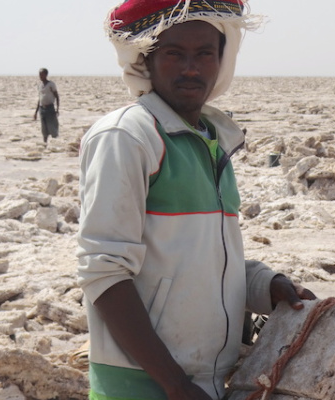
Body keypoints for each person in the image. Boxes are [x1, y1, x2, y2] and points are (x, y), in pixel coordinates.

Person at [76, 1, 316, 399]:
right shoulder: (127, 136)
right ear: (146, 60)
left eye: (205, 53)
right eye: (174, 54)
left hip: (203, 378)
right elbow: (104, 273)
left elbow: (201, 255)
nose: (191, 68)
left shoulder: (210, 139)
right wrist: (174, 384)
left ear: (222, 59)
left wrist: (264, 285)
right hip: (142, 383)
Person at [33, 68, 60, 143]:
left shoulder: (51, 84)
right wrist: (36, 112)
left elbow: (57, 96)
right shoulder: (40, 86)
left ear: (46, 75)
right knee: (44, 128)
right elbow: (40, 99)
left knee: (52, 127)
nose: (40, 76)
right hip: (42, 109)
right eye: (39, 74)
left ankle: (56, 143)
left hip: (50, 108)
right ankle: (45, 143)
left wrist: (57, 109)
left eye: (42, 74)